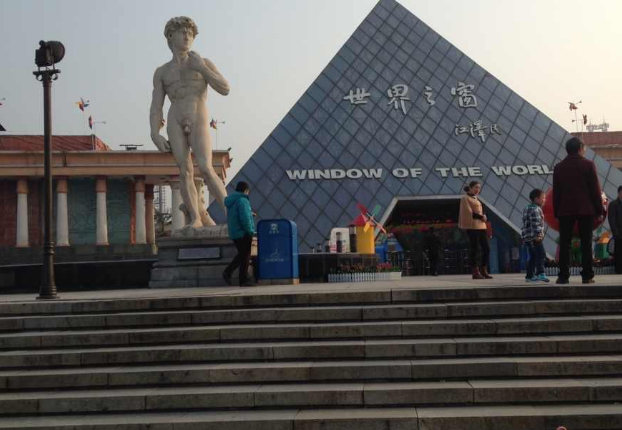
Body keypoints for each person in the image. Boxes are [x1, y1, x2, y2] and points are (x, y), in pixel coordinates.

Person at [150, 16, 230, 229]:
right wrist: (154, 133)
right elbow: (156, 105)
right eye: (183, 32)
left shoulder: (203, 62)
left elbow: (225, 88)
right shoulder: (162, 72)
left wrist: (202, 68)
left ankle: (231, 214)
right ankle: (195, 217)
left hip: (197, 113)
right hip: (175, 117)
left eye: (191, 33)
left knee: (205, 167)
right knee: (184, 170)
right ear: (170, 36)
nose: (187, 36)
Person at [553, 137, 603, 284]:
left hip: (565, 210)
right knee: (586, 243)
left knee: (565, 243)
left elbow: (556, 192)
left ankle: (563, 276)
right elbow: (595, 190)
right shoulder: (588, 164)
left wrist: (556, 212)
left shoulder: (559, 167)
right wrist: (599, 210)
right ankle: (587, 276)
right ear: (580, 148)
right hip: (585, 209)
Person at [223, 181, 256, 287]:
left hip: (234, 232)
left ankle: (229, 273)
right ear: (246, 190)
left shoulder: (232, 201)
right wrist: (250, 231)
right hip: (243, 232)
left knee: (242, 255)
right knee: (245, 256)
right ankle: (243, 279)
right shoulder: (243, 200)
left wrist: (250, 214)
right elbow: (244, 218)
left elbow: (236, 214)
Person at [459, 181, 493, 280]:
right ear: (470, 188)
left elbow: (482, 210)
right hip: (472, 227)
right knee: (474, 249)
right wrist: (481, 216)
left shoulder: (476, 198)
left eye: (479, 188)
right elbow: (468, 212)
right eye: (475, 187)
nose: (477, 190)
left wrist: (484, 215)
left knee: (487, 249)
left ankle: (483, 269)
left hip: (482, 226)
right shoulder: (465, 198)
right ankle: (475, 271)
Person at [522, 189, 549, 283]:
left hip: (528, 236)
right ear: (536, 199)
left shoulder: (527, 208)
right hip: (534, 236)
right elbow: (535, 223)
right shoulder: (535, 209)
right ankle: (540, 273)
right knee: (541, 253)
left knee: (534, 255)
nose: (544, 200)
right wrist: (538, 235)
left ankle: (529, 276)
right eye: (543, 198)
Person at [607, 186, 622, 274]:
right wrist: (616, 233)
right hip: (619, 234)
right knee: (619, 253)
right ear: (619, 193)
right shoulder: (613, 204)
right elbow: (611, 220)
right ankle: (619, 270)